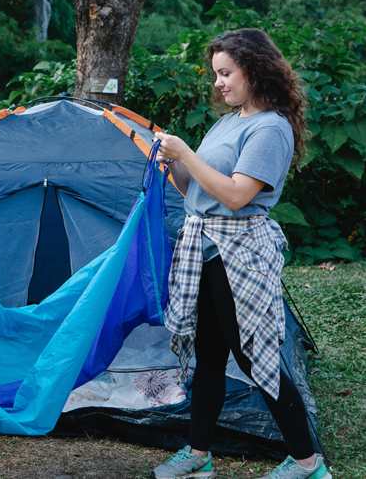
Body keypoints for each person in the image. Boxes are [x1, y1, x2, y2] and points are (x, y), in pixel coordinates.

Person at [151, 29, 331, 479]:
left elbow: (236, 196)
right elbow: (197, 190)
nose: (219, 83)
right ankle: (198, 455)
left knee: (254, 355)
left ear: (254, 69)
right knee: (209, 354)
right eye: (216, 74)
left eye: (226, 73)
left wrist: (187, 154)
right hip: (208, 248)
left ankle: (308, 463)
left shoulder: (270, 128)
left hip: (240, 251)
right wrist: (173, 165)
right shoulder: (229, 121)